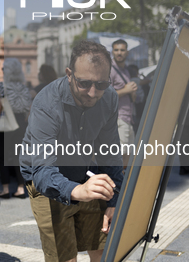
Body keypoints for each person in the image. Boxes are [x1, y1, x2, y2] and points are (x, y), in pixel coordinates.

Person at [20, 40, 123, 262]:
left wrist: (115, 199)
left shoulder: (109, 98)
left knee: (103, 249)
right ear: (69, 74)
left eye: (101, 84)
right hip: (46, 182)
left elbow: (109, 152)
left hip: (85, 173)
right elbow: (42, 170)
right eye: (84, 83)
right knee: (64, 257)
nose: (93, 93)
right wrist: (77, 191)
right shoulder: (46, 104)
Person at [0, 58, 32, 199]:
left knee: (3, 156)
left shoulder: (2, 86)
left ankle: (5, 189)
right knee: (18, 155)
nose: (2, 71)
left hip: (7, 121)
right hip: (21, 122)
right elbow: (29, 108)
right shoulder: (24, 87)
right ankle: (21, 188)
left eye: (4, 69)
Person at [110, 39, 137, 168]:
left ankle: (125, 183)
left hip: (128, 117)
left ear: (127, 52)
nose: (119, 53)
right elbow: (106, 95)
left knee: (129, 155)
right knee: (121, 155)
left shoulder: (126, 70)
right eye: (116, 50)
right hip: (119, 118)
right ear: (112, 52)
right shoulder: (111, 70)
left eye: (122, 50)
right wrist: (126, 90)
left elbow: (128, 93)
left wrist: (131, 92)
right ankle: (120, 185)